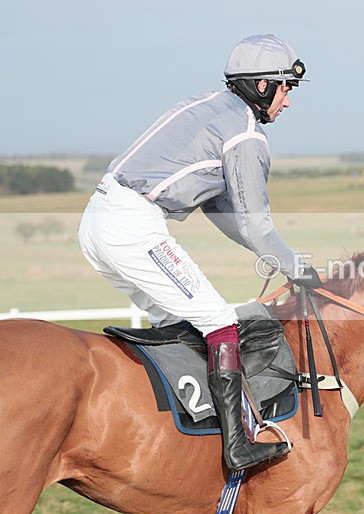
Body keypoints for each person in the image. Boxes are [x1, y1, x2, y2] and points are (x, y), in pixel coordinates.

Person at [78, 34, 322, 471]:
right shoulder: (246, 134)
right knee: (220, 321)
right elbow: (253, 223)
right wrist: (297, 266)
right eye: (287, 88)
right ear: (262, 86)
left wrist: (269, 253)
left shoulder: (209, 106)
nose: (288, 102)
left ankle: (180, 436)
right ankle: (237, 447)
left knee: (178, 323)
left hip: (99, 220)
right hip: (133, 226)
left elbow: (221, 208)